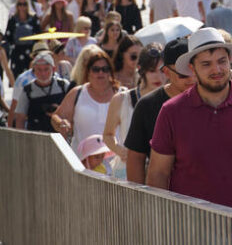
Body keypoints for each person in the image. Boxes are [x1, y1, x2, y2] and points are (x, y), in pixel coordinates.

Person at [146, 28, 232, 218]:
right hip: (188, 232)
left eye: (222, 61)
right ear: (192, 69)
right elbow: (158, 174)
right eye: (206, 64)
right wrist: (161, 227)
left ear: (230, 61)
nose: (217, 70)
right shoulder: (171, 111)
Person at [124, 39, 195, 184]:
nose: (192, 78)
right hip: (164, 196)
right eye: (183, 74)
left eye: (195, 70)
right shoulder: (147, 105)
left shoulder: (209, 99)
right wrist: (140, 199)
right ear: (167, 72)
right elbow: (136, 158)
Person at [104, 43, 165, 179]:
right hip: (126, 170)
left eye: (162, 70)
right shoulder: (121, 99)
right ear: (140, 69)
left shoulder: (173, 99)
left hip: (161, 172)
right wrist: (121, 151)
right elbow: (108, 135)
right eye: (152, 71)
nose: (158, 77)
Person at [51, 49, 123, 153]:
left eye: (105, 69)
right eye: (95, 69)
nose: (100, 72)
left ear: (110, 72)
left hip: (117, 161)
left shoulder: (122, 94)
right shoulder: (77, 93)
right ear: (88, 72)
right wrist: (61, 124)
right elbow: (55, 117)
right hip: (84, 162)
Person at [14, 52, 70, 132]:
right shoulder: (27, 91)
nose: (43, 73)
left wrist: (59, 111)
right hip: (36, 138)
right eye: (39, 70)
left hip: (61, 137)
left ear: (53, 69)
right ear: (34, 71)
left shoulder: (63, 86)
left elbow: (74, 111)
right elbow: (20, 118)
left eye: (46, 69)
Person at [5, 0, 41, 78]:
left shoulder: (33, 18)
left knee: (31, 75)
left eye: (24, 4)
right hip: (17, 51)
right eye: (19, 4)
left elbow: (38, 34)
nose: (22, 6)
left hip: (30, 52)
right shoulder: (13, 19)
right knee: (17, 76)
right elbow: (8, 35)